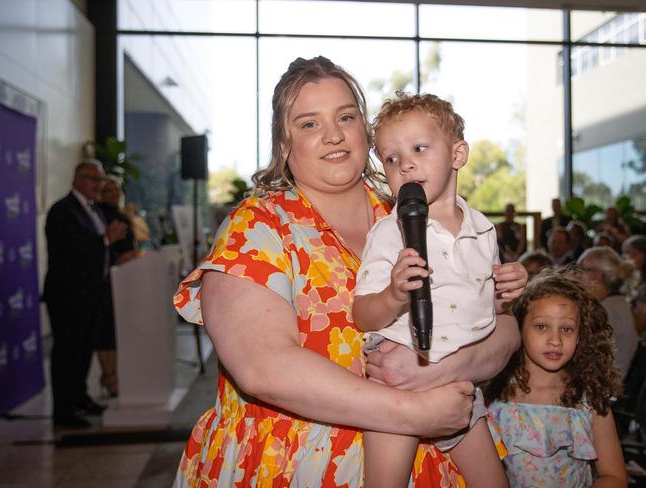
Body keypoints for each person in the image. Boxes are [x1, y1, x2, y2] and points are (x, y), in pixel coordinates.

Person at [172, 56, 524, 487]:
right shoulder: (259, 228)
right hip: (297, 464)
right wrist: (415, 411)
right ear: (283, 145)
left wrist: (442, 370)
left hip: (438, 456)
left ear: (366, 132)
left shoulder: (415, 211)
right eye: (308, 124)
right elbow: (262, 367)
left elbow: (505, 330)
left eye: (346, 116)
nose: (334, 135)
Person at [353, 92, 514, 488]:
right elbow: (362, 315)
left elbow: (487, 308)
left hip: (458, 378)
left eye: (419, 148)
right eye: (391, 158)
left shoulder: (483, 230)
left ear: (458, 155)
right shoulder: (391, 231)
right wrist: (392, 294)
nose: (405, 163)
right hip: (400, 375)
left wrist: (510, 290)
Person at [485, 270, 627, 487]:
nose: (555, 340)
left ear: (581, 336)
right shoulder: (493, 397)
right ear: (519, 327)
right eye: (541, 326)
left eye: (567, 329)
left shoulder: (589, 399)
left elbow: (614, 477)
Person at [43, 160, 127, 428]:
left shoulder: (93, 210)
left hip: (92, 293)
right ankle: (63, 410)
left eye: (101, 181)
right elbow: (69, 251)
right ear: (77, 179)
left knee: (84, 350)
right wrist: (105, 240)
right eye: (94, 179)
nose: (99, 185)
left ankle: (79, 398)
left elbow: (100, 252)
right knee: (67, 351)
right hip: (68, 295)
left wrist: (117, 257)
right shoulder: (62, 210)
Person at [96, 176, 140, 397]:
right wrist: (116, 258)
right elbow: (95, 247)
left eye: (117, 189)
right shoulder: (98, 214)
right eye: (109, 190)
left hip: (126, 280)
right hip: (105, 281)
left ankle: (116, 375)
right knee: (106, 332)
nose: (114, 194)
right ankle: (109, 376)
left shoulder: (122, 215)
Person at [578, 246, 639, 380]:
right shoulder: (616, 303)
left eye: (583, 269)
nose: (577, 274)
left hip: (604, 392)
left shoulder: (605, 311)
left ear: (600, 274)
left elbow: (587, 361)